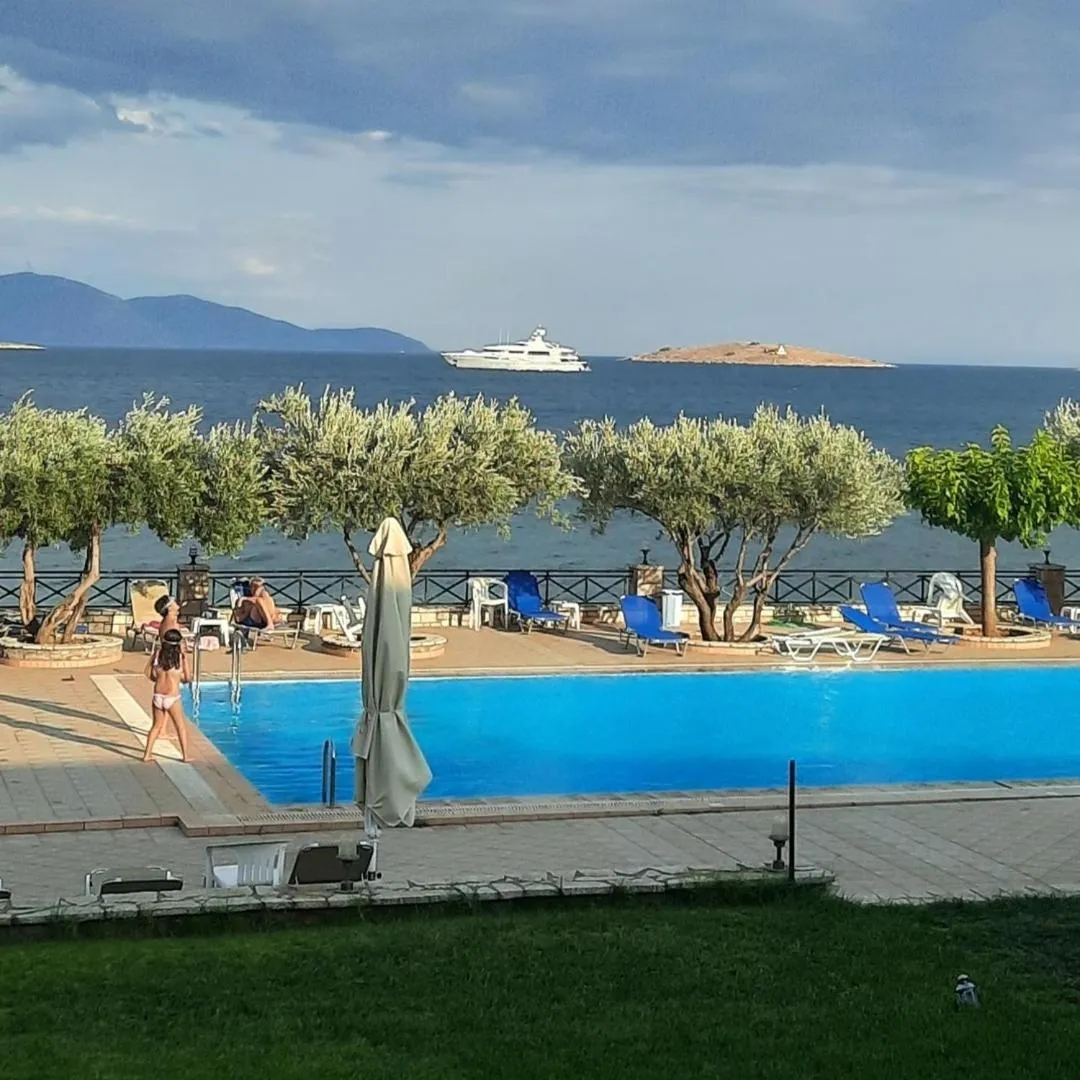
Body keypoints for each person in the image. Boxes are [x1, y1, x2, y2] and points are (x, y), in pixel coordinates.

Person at [142, 628, 191, 763]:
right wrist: (178, 675)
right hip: (172, 697)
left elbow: (148, 674)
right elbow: (188, 678)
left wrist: (158, 676)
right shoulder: (180, 658)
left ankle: (147, 754)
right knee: (180, 726)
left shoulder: (157, 656)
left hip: (157, 696)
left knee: (156, 726)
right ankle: (185, 756)